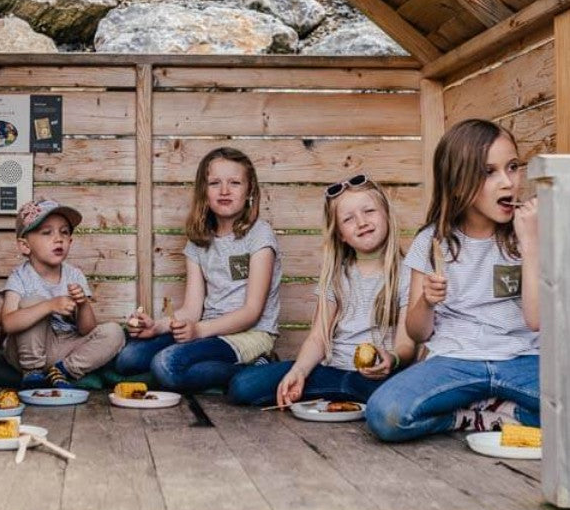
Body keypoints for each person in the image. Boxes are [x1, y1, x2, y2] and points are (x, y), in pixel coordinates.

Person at [366, 118, 540, 442]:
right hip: (456, 361)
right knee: (384, 413)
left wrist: (531, 245)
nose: (508, 182)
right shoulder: (432, 242)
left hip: (524, 360)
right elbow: (417, 332)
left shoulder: (532, 232)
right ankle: (464, 416)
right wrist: (427, 302)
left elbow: (536, 320)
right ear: (458, 183)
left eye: (513, 167)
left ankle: (503, 413)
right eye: (489, 172)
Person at [229, 173, 414, 406]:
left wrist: (393, 359)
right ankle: (332, 394)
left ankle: (359, 401)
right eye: (348, 219)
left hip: (376, 380)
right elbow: (318, 338)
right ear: (340, 235)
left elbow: (407, 345)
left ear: (386, 214)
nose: (361, 222)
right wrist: (299, 372)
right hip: (331, 372)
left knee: (395, 403)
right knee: (242, 386)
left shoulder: (407, 273)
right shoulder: (336, 275)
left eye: (369, 211)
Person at [116, 147, 282, 393]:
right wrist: (158, 327)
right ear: (203, 191)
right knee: (128, 358)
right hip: (206, 331)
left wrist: (199, 331)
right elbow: (192, 310)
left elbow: (252, 312)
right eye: (215, 183)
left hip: (250, 334)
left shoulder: (259, 235)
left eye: (234, 183)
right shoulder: (198, 241)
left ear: (250, 190)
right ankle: (204, 366)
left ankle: (254, 368)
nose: (224, 190)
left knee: (165, 365)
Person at [0, 198, 125, 388]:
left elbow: (86, 330)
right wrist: (49, 306)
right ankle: (32, 372)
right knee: (32, 302)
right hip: (27, 351)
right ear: (25, 246)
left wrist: (83, 304)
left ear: (70, 241)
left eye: (64, 232)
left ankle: (62, 371)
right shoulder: (20, 277)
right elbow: (8, 323)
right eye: (47, 232)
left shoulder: (74, 275)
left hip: (66, 348)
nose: (58, 238)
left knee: (115, 332)